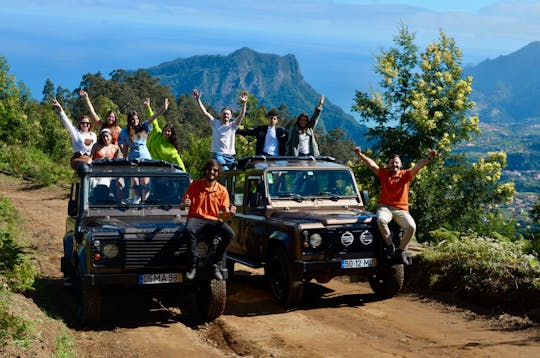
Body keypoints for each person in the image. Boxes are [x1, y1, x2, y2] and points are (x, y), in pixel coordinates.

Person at [354, 147, 437, 264]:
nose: (394, 165)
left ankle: (401, 251)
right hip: (385, 208)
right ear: (388, 164)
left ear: (400, 164)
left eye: (396, 162)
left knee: (411, 227)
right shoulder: (384, 174)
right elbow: (372, 165)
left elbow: (419, 166)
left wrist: (429, 157)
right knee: (381, 220)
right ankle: (389, 246)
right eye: (392, 163)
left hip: (401, 210)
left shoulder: (406, 175)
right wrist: (360, 154)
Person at [181, 159, 236, 280]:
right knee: (188, 230)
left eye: (215, 170)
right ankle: (192, 266)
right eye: (209, 169)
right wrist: (185, 204)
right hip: (196, 218)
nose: (212, 172)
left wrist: (230, 213)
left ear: (218, 172)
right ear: (205, 171)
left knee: (230, 234)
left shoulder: (222, 190)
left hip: (213, 220)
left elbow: (225, 212)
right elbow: (182, 206)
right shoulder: (194, 185)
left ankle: (215, 263)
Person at [118, 98, 169, 203]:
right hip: (133, 158)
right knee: (135, 181)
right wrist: (124, 160)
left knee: (145, 182)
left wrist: (163, 109)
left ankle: (145, 201)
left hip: (145, 157)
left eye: (136, 118)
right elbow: (124, 148)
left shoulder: (144, 126)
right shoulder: (125, 132)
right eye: (132, 119)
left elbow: (154, 117)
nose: (135, 121)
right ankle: (136, 200)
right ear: (129, 120)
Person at [193, 89, 248, 170]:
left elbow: (241, 115)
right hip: (218, 155)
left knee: (233, 173)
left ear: (231, 116)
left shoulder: (233, 126)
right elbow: (205, 113)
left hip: (229, 156)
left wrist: (244, 103)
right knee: (225, 170)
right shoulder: (215, 123)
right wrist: (198, 100)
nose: (226, 115)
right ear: (220, 114)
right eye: (224, 113)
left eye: (227, 114)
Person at [52, 97, 97, 170]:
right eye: (83, 123)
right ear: (80, 124)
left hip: (90, 159)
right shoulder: (76, 132)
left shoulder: (94, 135)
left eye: (87, 123)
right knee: (86, 165)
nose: (85, 125)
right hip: (78, 158)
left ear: (90, 124)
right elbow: (66, 122)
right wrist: (60, 109)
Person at [144, 98, 186, 171]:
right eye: (166, 130)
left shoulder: (171, 149)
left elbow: (179, 162)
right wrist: (148, 108)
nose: (167, 132)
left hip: (162, 171)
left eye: (169, 131)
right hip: (148, 164)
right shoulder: (157, 133)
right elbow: (153, 120)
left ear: (172, 134)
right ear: (163, 130)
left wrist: (186, 175)